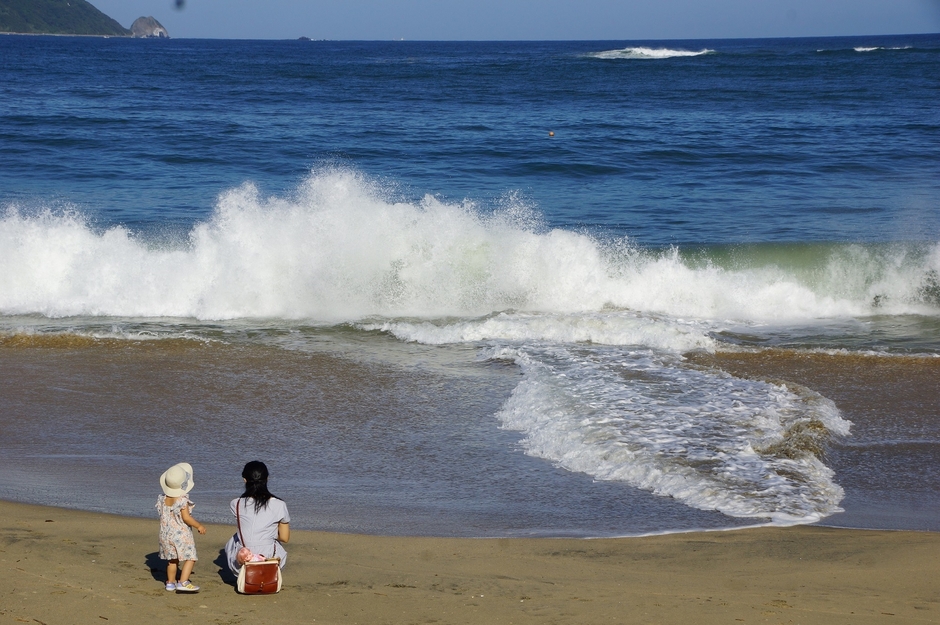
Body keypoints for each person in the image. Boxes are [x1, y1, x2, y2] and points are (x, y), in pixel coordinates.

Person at [224, 461, 290, 575]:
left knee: (235, 538)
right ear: (267, 478)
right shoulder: (279, 504)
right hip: (270, 561)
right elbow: (284, 538)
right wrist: (269, 534)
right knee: (273, 538)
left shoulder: (236, 503)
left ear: (245, 480)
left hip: (243, 563)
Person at [156, 462, 206, 593]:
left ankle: (170, 583)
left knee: (172, 560)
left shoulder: (162, 499)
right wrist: (199, 525)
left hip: (166, 534)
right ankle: (183, 582)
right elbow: (186, 518)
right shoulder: (182, 500)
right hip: (181, 534)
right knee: (191, 557)